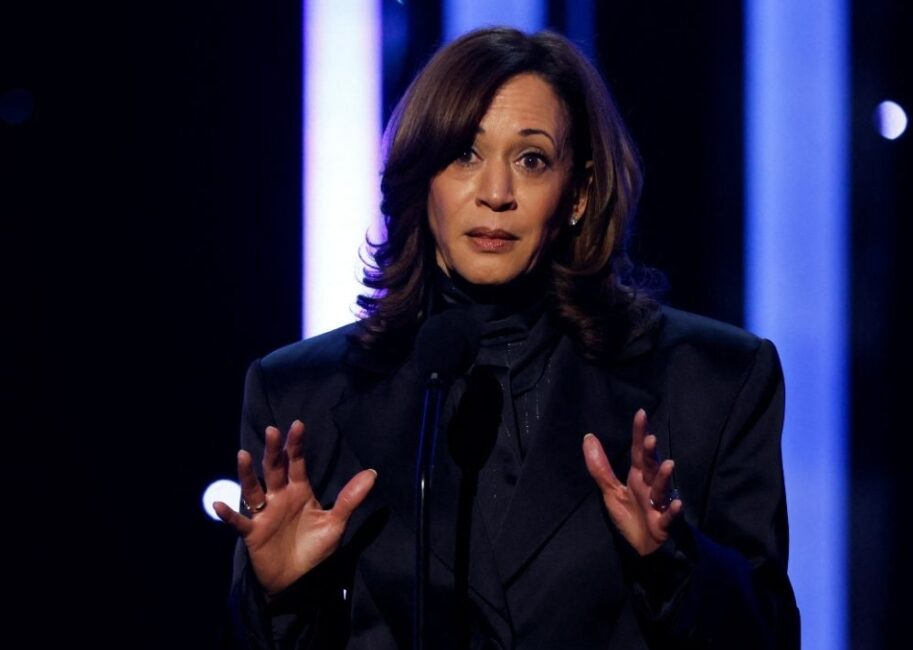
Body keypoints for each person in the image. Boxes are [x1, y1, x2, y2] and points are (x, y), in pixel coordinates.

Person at [214, 26, 800, 649]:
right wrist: (279, 595)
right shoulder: (300, 393)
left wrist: (670, 563)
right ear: (421, 178)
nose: (495, 195)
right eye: (465, 154)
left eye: (531, 160)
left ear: (577, 191)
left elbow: (766, 635)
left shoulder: (712, 380)